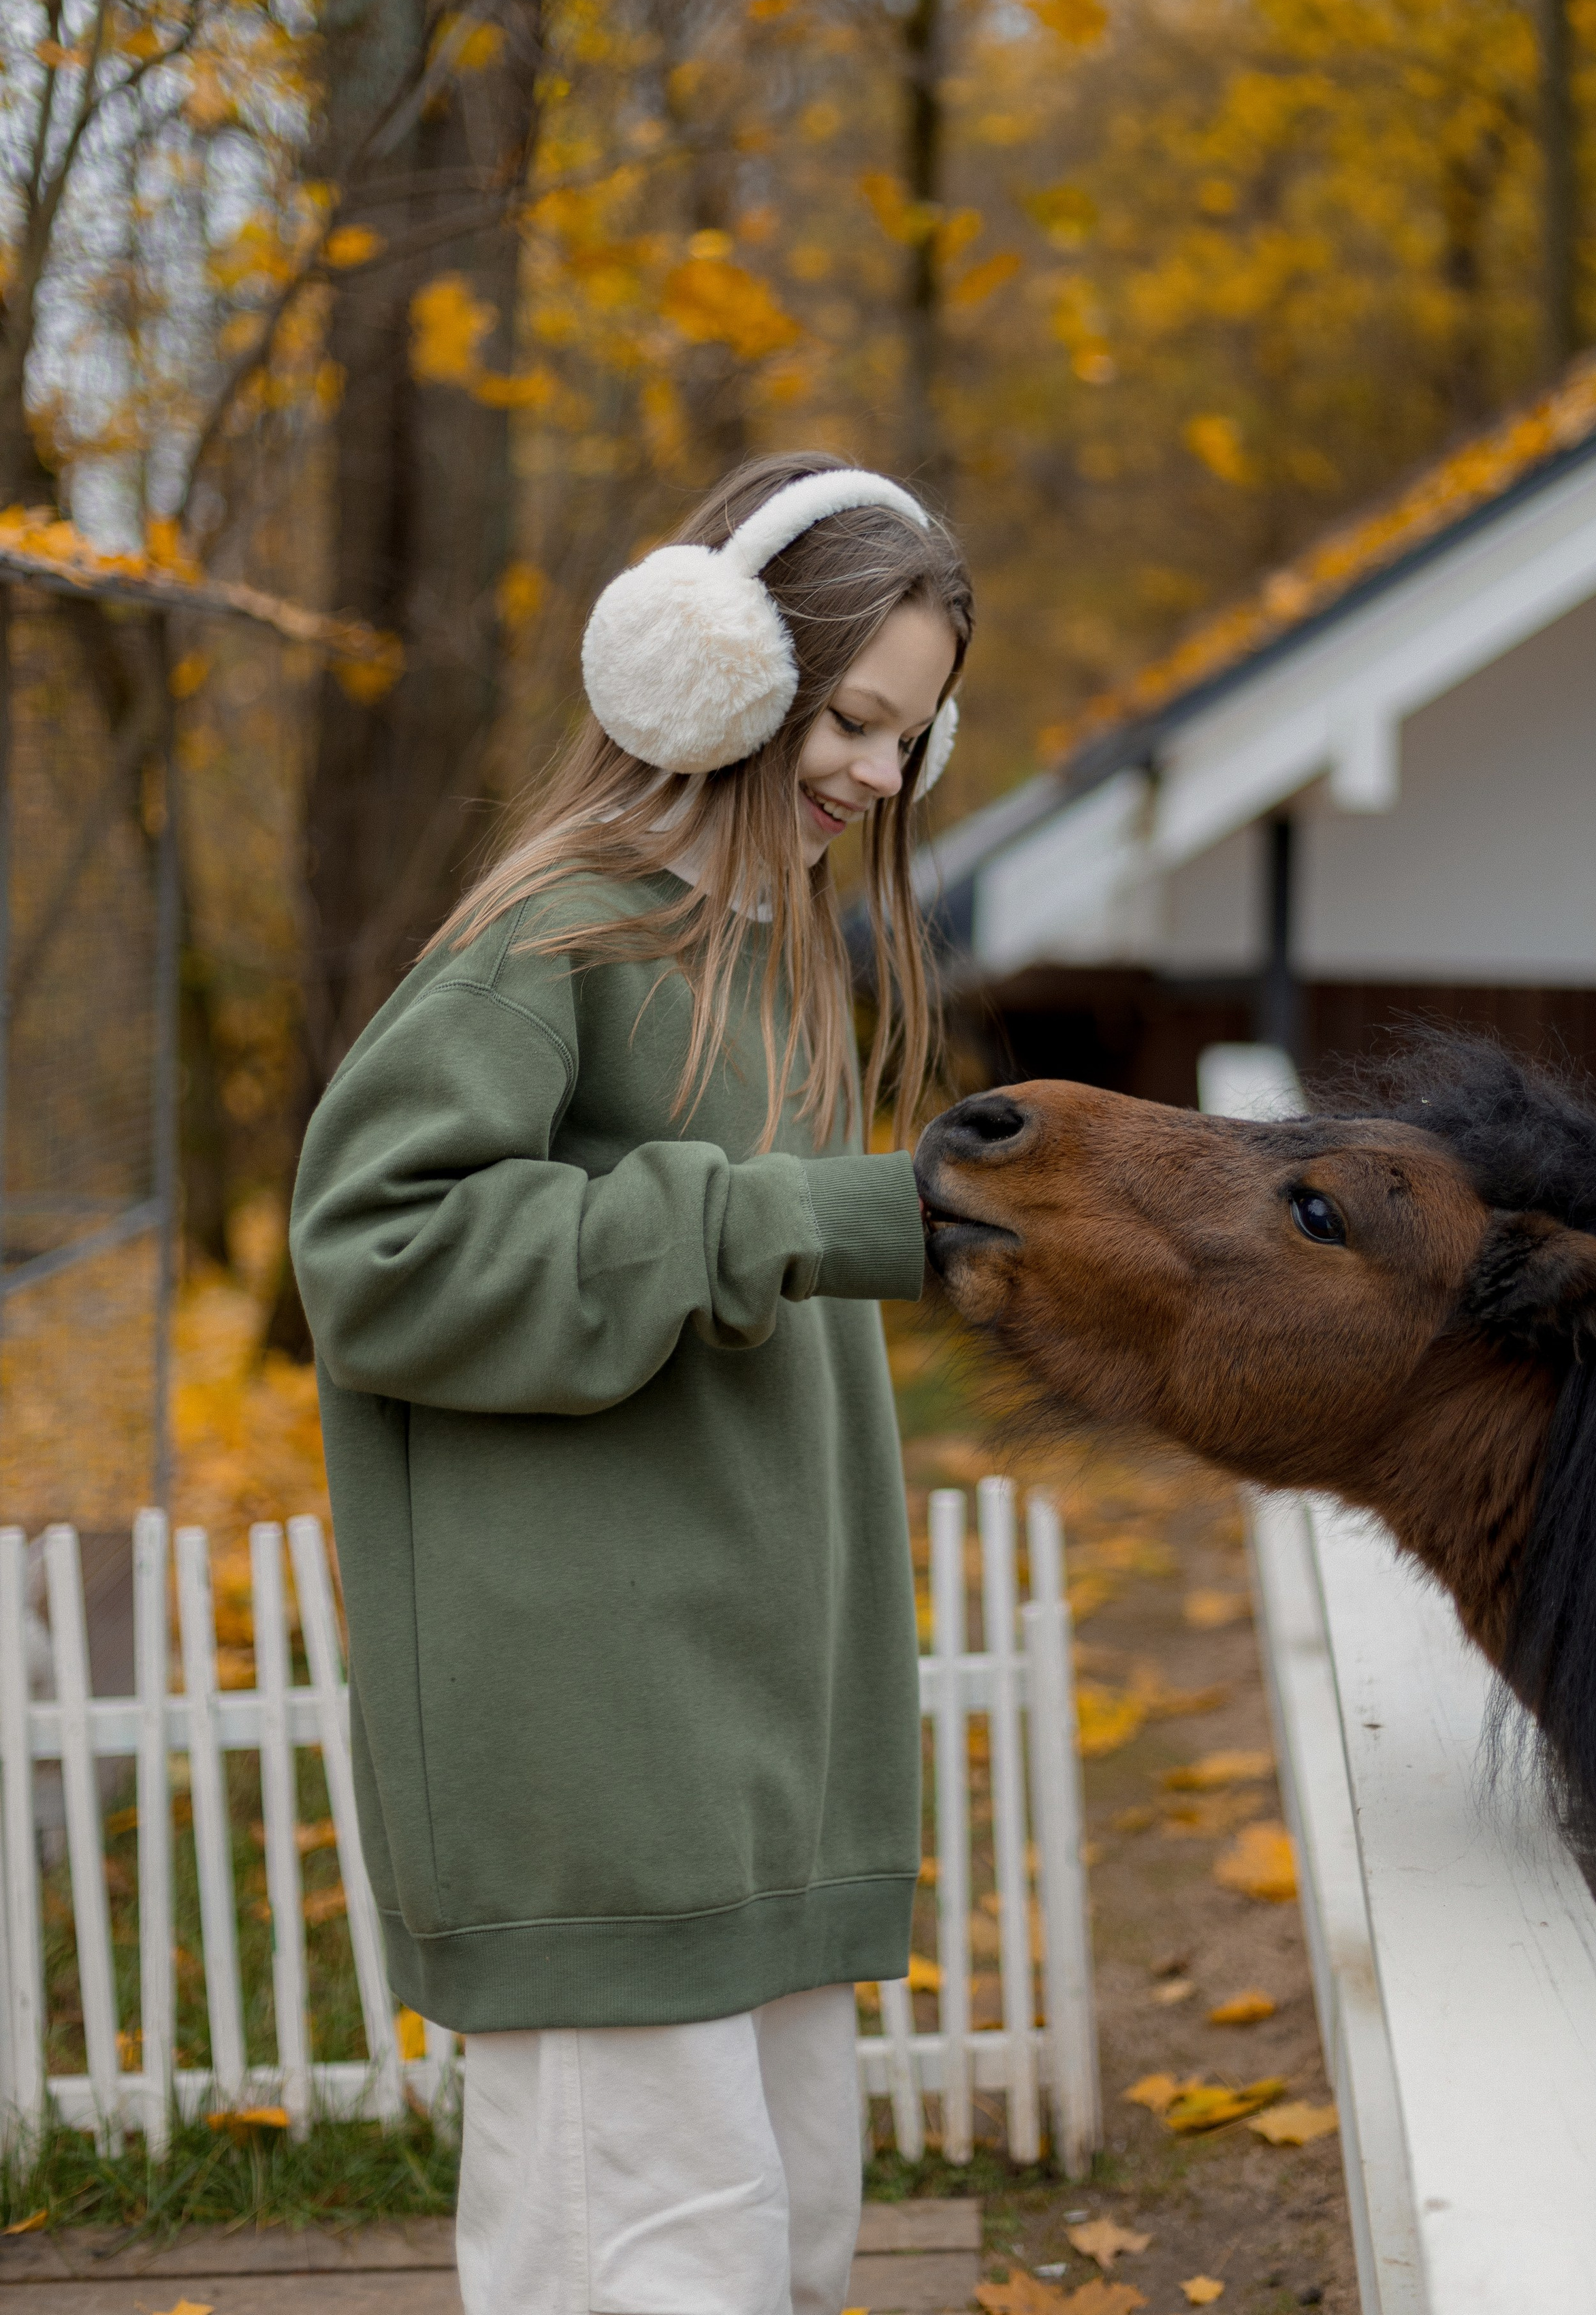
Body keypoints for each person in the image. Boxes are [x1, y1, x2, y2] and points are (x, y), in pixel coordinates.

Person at [289, 453, 973, 2315]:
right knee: (652, 2280)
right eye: (851, 716)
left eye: (913, 739)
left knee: (779, 2261)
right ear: (718, 673)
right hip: (603, 1780)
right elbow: (375, 1256)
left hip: (751, 1767)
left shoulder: (771, 968)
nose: (878, 777)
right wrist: (769, 1220)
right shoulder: (559, 935)